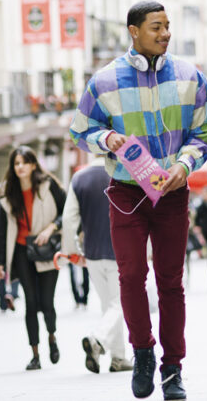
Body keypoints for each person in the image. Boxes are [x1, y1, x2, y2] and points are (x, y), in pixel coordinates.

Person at [70, 0, 207, 400]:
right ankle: (142, 352)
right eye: (156, 27)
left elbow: (206, 131)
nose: (165, 33)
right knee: (131, 277)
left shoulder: (191, 77)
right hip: (125, 193)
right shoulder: (104, 81)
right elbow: (80, 129)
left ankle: (173, 368)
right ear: (133, 31)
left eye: (168, 26)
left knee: (172, 283)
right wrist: (107, 138)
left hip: (172, 192)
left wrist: (184, 167)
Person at [0, 146, 66, 371]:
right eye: (16, 163)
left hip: (46, 250)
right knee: (31, 303)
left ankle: (52, 337)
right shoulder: (8, 193)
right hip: (21, 252)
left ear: (33, 164)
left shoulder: (48, 185)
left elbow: (67, 211)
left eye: (24, 162)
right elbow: (2, 229)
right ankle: (35, 354)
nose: (20, 167)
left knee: (46, 302)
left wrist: (50, 228)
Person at [61, 158, 134, 374]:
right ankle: (98, 339)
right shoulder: (124, 172)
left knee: (109, 305)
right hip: (121, 250)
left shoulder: (79, 178)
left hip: (92, 254)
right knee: (120, 304)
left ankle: (118, 357)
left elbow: (68, 219)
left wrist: (72, 251)